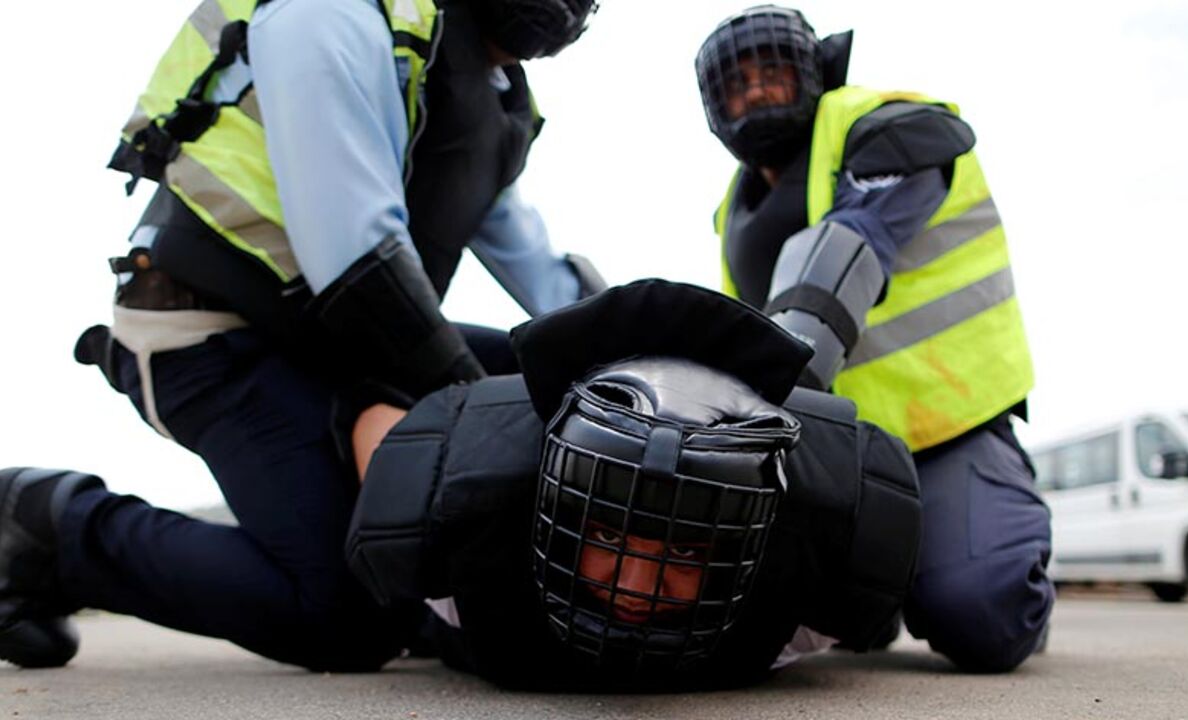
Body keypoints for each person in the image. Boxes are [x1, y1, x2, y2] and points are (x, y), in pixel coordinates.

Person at [2, 0, 600, 672]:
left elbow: (547, 284)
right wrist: (480, 430)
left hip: (331, 339)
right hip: (210, 334)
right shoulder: (331, 13)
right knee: (343, 614)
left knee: (564, 382)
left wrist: (647, 374)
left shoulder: (487, 94)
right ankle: (46, 526)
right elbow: (353, 260)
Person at [1, 280, 923, 690]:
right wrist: (378, 429)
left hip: (579, 380)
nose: (637, 590)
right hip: (397, 386)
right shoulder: (463, 502)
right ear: (555, 514)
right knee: (342, 613)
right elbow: (380, 418)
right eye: (616, 541)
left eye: (681, 554)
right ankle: (46, 520)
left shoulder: (811, 586)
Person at [694, 5, 1053, 672]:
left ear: (809, 71)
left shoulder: (882, 126)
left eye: (769, 73)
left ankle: (990, 543)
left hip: (947, 429)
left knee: (984, 615)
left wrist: (786, 380)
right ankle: (878, 596)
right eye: (735, 85)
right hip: (837, 456)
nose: (755, 94)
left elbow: (849, 246)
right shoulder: (732, 216)